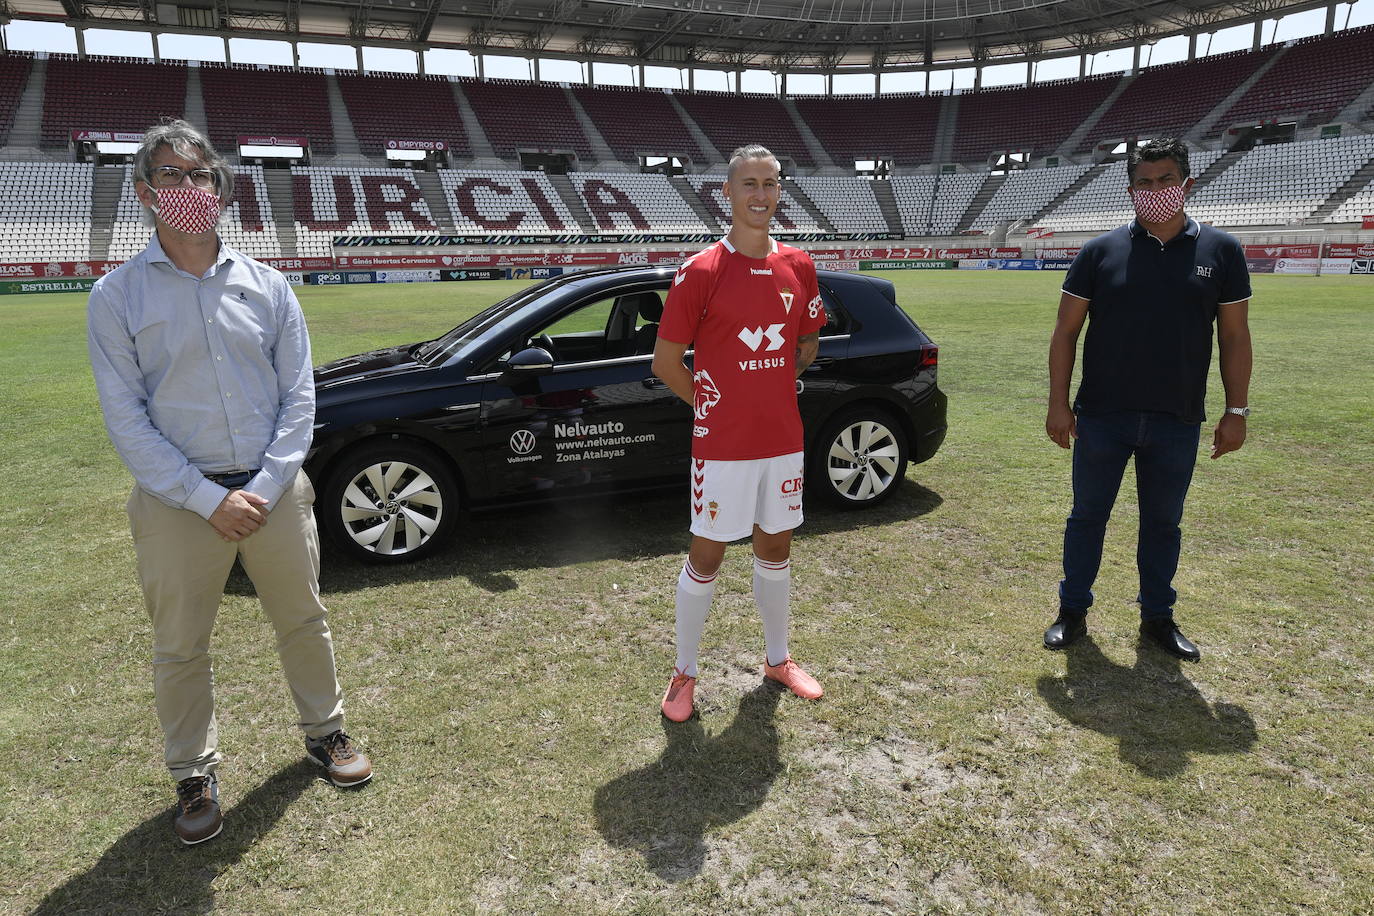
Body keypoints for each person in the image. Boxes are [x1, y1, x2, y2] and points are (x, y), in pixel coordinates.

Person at [87, 120, 372, 846]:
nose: (190, 189)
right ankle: (192, 772)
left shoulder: (268, 285)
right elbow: (126, 421)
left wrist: (270, 483)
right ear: (146, 193)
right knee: (180, 646)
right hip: (177, 504)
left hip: (273, 491)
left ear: (220, 187)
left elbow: (298, 397)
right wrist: (208, 498)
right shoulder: (116, 297)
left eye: (201, 175)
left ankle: (327, 732)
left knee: (304, 621)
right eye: (173, 177)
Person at [1043, 137, 1253, 661]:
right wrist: (1058, 403)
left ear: (1187, 184)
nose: (1155, 191)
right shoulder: (1100, 251)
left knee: (1163, 523)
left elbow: (1234, 337)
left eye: (1166, 181)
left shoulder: (1221, 251)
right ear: (1131, 189)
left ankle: (1158, 616)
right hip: (1102, 415)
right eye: (1144, 182)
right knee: (1087, 517)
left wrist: (1236, 410)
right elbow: (1065, 332)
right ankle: (1072, 611)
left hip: (1177, 418)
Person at [651, 144, 828, 721]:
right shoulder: (700, 270)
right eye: (748, 183)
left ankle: (778, 659)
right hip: (722, 447)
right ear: (726, 193)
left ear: (780, 191)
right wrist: (711, 402)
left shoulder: (799, 265)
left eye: (770, 183)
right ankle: (684, 674)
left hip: (781, 439)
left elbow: (807, 342)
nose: (760, 195)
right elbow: (666, 361)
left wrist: (772, 383)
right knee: (708, 555)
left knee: (775, 546)